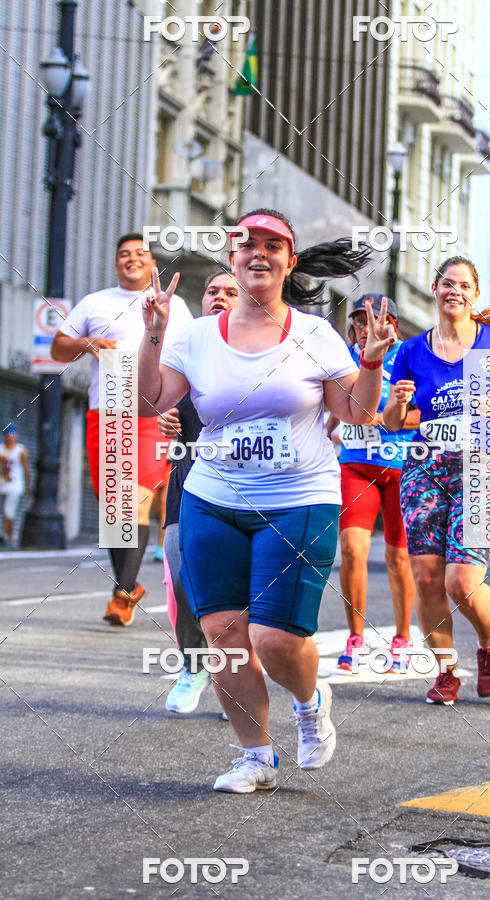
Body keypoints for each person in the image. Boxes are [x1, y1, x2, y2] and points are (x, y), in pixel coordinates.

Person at [138, 208, 392, 793]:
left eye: (272, 245)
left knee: (274, 640)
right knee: (225, 638)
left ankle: (309, 700)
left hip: (299, 498)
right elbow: (151, 403)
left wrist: (372, 364)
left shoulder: (313, 334)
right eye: (246, 244)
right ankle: (254, 755)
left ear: (289, 261)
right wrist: (152, 333)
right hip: (212, 497)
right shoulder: (197, 336)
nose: (258, 253)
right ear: (232, 258)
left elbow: (354, 414)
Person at [384, 257, 490, 706]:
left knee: (461, 582)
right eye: (448, 283)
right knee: (426, 578)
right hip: (426, 467)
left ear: (475, 294)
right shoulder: (410, 351)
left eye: (464, 285)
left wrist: (488, 402)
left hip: (480, 468)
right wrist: (397, 401)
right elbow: (392, 423)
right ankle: (447, 671)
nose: (455, 291)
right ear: (434, 288)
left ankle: (489, 645)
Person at [50, 233, 192, 625]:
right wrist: (88, 342)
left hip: (151, 412)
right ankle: (129, 587)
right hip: (106, 413)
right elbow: (57, 349)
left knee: (136, 502)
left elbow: (190, 354)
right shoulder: (94, 303)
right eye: (124, 255)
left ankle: (121, 594)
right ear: (116, 265)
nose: (132, 259)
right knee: (114, 512)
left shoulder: (173, 305)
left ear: (151, 264)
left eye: (140, 254)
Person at [157, 271, 239, 714]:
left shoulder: (260, 346)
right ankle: (194, 665)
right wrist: (165, 417)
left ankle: (238, 666)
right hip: (189, 476)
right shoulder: (186, 345)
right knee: (177, 556)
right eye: (213, 292)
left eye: (231, 292)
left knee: (242, 582)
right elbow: (156, 396)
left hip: (250, 482)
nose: (220, 298)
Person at [326, 294, 418, 674]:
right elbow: (331, 405)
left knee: (398, 557)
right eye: (360, 320)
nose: (366, 327)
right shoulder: (345, 357)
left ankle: (401, 638)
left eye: (374, 319)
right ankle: (356, 638)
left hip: (401, 468)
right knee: (352, 548)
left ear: (392, 323)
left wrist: (385, 417)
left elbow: (425, 413)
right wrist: (325, 428)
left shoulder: (411, 357)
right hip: (357, 465)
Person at [0, 426, 32, 548]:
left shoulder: (20, 450)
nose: (10, 437)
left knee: (9, 510)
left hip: (15, 486)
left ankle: (2, 536)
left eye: (12, 434)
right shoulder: (1, 449)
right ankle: (11, 537)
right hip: (2, 485)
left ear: (16, 436)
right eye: (8, 434)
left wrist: (29, 485)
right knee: (7, 514)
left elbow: (26, 469)